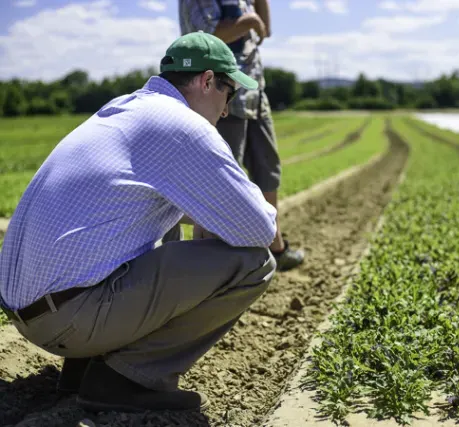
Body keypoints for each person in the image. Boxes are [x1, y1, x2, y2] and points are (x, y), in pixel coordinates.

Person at [0, 32, 278, 413]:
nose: (226, 110)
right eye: (229, 94)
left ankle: (84, 367)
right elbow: (261, 230)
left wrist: (204, 211)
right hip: (69, 319)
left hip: (28, 312)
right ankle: (126, 378)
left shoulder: (122, 110)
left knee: (157, 224)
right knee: (254, 262)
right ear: (208, 81)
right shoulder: (184, 126)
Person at [179, 0, 305, 272]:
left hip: (254, 89)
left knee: (267, 168)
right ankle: (213, 263)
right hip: (220, 94)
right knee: (221, 175)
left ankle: (274, 246)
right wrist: (248, 22)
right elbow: (204, 37)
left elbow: (265, 30)